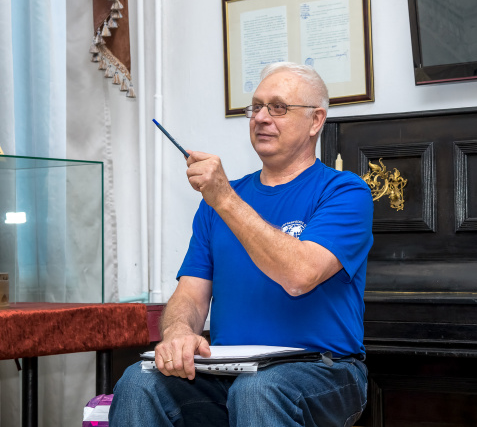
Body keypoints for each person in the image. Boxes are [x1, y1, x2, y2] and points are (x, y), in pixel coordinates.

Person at [109, 62, 374, 426]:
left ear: (315, 121)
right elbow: (189, 296)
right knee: (139, 382)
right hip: (228, 370)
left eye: (278, 107)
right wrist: (178, 334)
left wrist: (226, 200)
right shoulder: (215, 205)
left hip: (322, 370)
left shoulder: (344, 191)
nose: (262, 117)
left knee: (258, 390)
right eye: (256, 106)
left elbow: (299, 275)